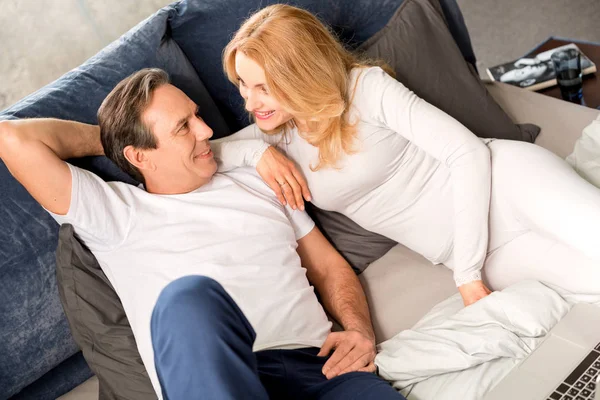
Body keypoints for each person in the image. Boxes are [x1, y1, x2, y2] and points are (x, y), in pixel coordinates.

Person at [0, 69, 404, 400]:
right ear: (139, 156)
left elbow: (328, 267)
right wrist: (111, 141)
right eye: (184, 127)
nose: (207, 130)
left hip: (323, 371)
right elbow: (11, 138)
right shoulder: (112, 213)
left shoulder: (259, 178)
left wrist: (358, 331)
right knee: (187, 298)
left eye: (197, 116)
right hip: (218, 379)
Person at [212, 4, 600, 307]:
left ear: (301, 75)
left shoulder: (365, 88)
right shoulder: (275, 132)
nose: (249, 101)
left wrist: (466, 275)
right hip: (483, 253)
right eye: (243, 85)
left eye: (263, 87)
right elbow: (205, 151)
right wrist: (254, 153)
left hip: (507, 183)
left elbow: (467, 154)